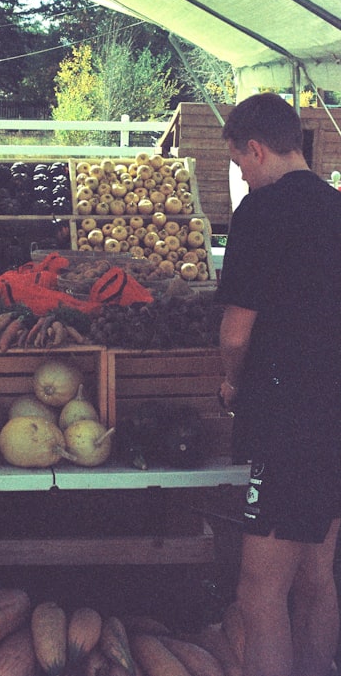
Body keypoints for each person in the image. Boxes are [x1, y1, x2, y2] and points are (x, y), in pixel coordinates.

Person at [217, 93, 341, 676]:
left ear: (257, 149)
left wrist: (232, 383)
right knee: (317, 577)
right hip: (336, 416)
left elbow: (237, 333)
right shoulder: (337, 207)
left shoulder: (260, 213)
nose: (242, 174)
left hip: (288, 419)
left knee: (257, 594)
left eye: (240, 162)